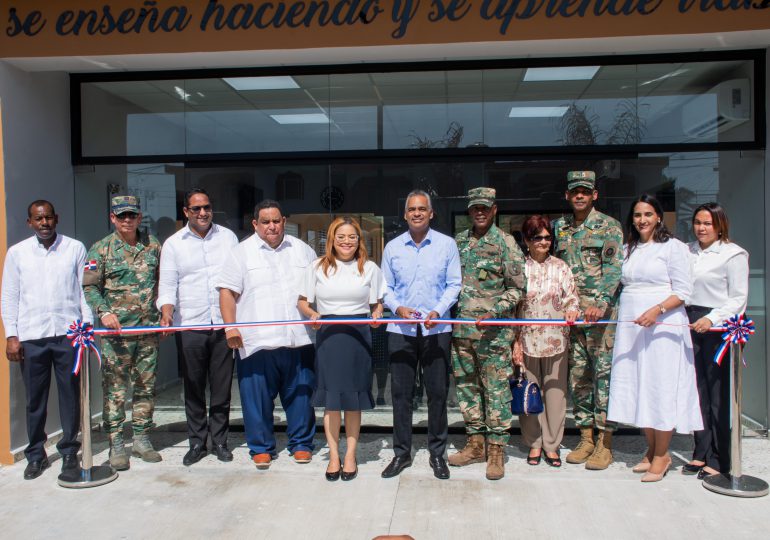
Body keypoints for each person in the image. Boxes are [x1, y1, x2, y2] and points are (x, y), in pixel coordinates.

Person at [607, 194, 703, 482]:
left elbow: (683, 291)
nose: (642, 220)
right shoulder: (629, 249)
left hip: (663, 326)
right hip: (633, 325)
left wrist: (657, 310)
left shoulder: (674, 248)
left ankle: (663, 454)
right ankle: (650, 450)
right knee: (640, 386)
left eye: (648, 214)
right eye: (637, 215)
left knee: (661, 386)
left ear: (659, 216)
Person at [217, 199, 316, 470]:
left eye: (276, 220)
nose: (271, 226)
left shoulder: (303, 251)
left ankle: (301, 444)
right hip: (256, 340)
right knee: (256, 400)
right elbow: (227, 292)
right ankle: (260, 447)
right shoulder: (241, 253)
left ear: (284, 221)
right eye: (265, 221)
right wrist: (231, 327)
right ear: (255, 224)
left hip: (298, 337)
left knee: (300, 396)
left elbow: (317, 289)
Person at [1, 200, 92, 479]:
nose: (44, 223)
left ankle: (68, 452)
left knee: (70, 396)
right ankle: (36, 454)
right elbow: (9, 296)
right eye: (38, 219)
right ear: (30, 222)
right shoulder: (17, 254)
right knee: (35, 399)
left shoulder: (75, 248)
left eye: (48, 217)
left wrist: (86, 330)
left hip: (68, 334)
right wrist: (11, 336)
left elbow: (84, 292)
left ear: (56, 218)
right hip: (32, 336)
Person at [380, 190, 461, 480]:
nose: (416, 213)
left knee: (437, 393)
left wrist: (438, 311)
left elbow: (454, 284)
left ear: (431, 213)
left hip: (436, 329)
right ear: (405, 214)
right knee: (401, 395)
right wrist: (396, 307)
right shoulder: (392, 247)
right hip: (400, 329)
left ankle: (437, 454)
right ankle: (401, 453)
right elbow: (384, 287)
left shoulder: (446, 245)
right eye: (411, 209)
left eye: (422, 209)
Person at [297, 217, 384, 482]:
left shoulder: (369, 268)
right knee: (332, 403)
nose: (347, 242)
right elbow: (302, 302)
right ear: (331, 240)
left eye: (352, 237)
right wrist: (312, 315)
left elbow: (377, 304)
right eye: (341, 237)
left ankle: (350, 455)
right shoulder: (316, 267)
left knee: (353, 401)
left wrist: (377, 314)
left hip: (358, 337)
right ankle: (334, 455)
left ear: (360, 241)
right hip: (329, 335)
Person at [157, 188, 239, 466]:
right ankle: (196, 442)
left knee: (222, 386)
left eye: (206, 207)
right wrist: (166, 312)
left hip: (222, 325)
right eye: (196, 209)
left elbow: (237, 280)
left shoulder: (228, 238)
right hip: (191, 324)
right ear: (186, 212)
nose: (202, 213)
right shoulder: (173, 244)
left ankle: (219, 441)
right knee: (193, 386)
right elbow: (167, 285)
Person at [448, 187, 525, 481]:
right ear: (470, 211)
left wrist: (495, 311)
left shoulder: (505, 243)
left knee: (495, 392)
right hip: (463, 333)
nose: (479, 212)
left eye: (485, 208)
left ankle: (496, 450)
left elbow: (517, 288)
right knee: (467, 390)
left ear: (494, 210)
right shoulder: (459, 243)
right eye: (475, 208)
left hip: (493, 335)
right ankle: (475, 444)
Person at [83, 195, 162, 470]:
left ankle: (141, 438)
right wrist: (103, 311)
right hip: (116, 335)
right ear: (113, 218)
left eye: (132, 215)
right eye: (122, 216)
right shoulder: (100, 249)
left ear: (139, 218)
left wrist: (164, 313)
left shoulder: (153, 246)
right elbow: (90, 287)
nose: (127, 220)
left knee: (145, 386)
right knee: (115, 390)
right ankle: (116, 443)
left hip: (147, 331)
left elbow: (162, 282)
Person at [553, 170, 623, 470]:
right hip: (571, 318)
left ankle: (605, 443)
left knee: (604, 380)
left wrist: (601, 303)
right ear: (567, 195)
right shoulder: (560, 227)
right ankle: (585, 438)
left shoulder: (609, 227)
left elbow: (614, 270)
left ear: (594, 194)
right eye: (574, 191)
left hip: (601, 319)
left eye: (585, 191)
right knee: (579, 378)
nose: (579, 195)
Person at [685, 203, 748, 479]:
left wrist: (712, 318)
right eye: (698, 222)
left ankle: (720, 458)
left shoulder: (733, 255)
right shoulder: (688, 251)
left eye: (708, 223)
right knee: (696, 391)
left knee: (717, 394)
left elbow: (738, 299)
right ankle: (701, 451)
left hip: (717, 326)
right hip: (689, 320)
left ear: (720, 225)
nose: (701, 228)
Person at [512, 215, 580, 468]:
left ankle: (552, 445)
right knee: (529, 394)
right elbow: (513, 307)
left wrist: (572, 309)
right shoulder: (519, 267)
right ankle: (534, 443)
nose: (543, 242)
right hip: (527, 340)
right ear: (526, 240)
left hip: (556, 340)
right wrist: (515, 343)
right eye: (537, 237)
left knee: (555, 395)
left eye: (547, 237)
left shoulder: (561, 267)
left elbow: (571, 297)